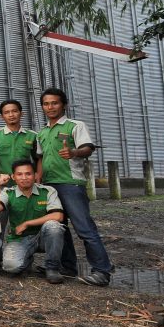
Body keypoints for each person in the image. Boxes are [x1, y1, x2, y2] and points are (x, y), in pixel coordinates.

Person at [35, 87, 113, 286]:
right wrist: (38, 177)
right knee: (60, 228)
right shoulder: (42, 132)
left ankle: (102, 271)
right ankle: (67, 266)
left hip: (70, 184)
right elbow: (40, 158)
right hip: (50, 186)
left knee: (84, 228)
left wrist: (74, 152)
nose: (50, 107)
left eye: (54, 103)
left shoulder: (75, 125)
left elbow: (87, 148)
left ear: (64, 105)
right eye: (46, 104)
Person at [0, 159, 67, 284]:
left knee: (54, 226)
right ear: (13, 177)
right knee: (11, 267)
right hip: (19, 239)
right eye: (19, 174)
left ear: (35, 175)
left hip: (43, 237)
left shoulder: (48, 191)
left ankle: (52, 268)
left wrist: (27, 223)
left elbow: (58, 215)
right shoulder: (8, 193)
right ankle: (27, 259)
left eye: (28, 174)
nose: (24, 177)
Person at [0, 99, 37, 178]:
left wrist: (37, 174)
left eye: (14, 111)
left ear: (21, 113)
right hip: (4, 181)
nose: (11, 115)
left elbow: (38, 159)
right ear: (2, 117)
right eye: (6, 112)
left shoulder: (33, 135)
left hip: (25, 180)